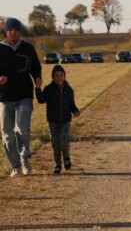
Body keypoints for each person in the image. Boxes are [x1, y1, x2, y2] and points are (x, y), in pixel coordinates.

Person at [0, 17, 42, 177]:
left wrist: (37, 77)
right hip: (4, 97)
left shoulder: (28, 49)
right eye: (10, 30)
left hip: (24, 95)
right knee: (7, 133)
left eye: (16, 30)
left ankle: (25, 158)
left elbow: (36, 67)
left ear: (20, 32)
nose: (13, 33)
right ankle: (15, 166)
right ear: (6, 31)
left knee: (22, 128)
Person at [35, 65, 80, 174]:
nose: (59, 78)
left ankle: (66, 157)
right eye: (56, 76)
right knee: (55, 143)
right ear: (53, 77)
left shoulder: (68, 90)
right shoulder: (49, 89)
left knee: (63, 140)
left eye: (61, 75)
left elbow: (71, 104)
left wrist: (75, 111)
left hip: (65, 120)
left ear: (64, 76)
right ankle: (58, 165)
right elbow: (41, 100)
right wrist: (37, 88)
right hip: (52, 121)